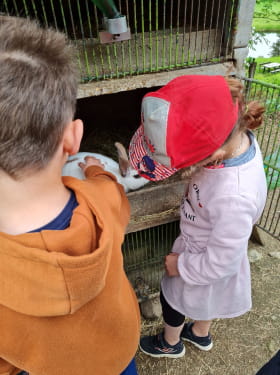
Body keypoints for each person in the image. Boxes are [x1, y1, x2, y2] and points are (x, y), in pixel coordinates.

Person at [0, 15, 140, 375]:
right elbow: (113, 188)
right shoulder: (103, 199)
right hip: (118, 354)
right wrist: (95, 168)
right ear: (72, 137)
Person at [128, 74, 267, 358]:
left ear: (214, 152)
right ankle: (200, 334)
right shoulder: (235, 140)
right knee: (211, 300)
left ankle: (170, 343)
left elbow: (221, 264)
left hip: (203, 258)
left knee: (172, 299)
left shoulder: (235, 197)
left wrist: (181, 266)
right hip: (213, 244)